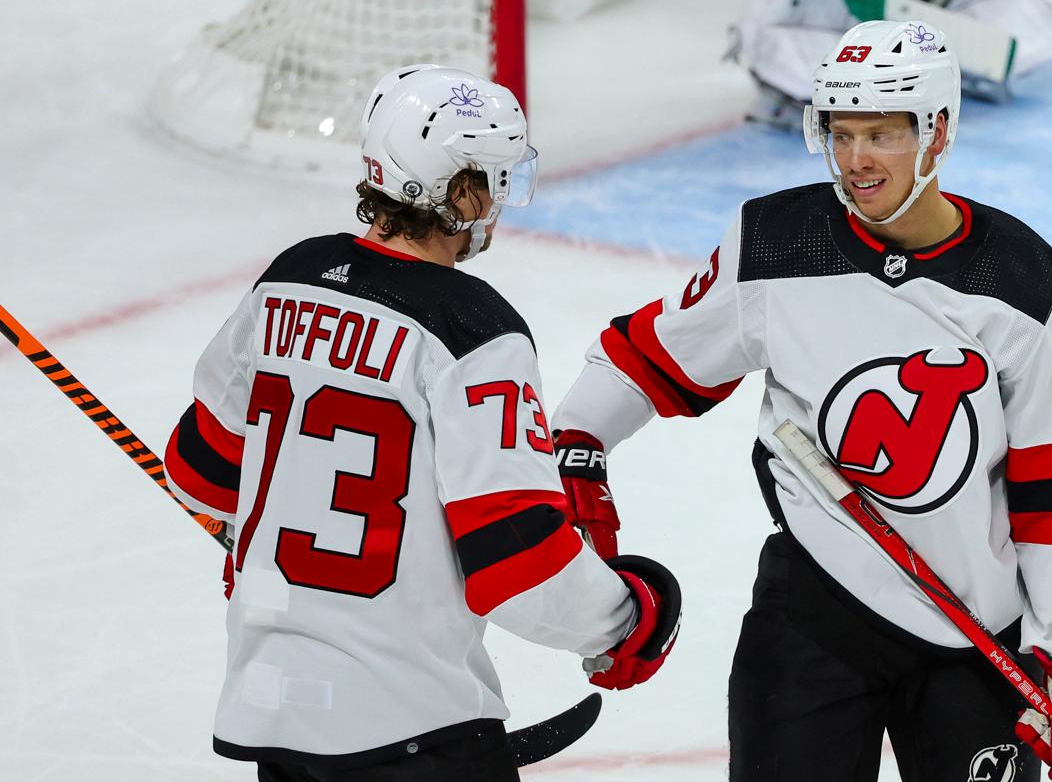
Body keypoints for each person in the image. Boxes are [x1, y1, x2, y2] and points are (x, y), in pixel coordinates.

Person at [553, 21, 1052, 782]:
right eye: (841, 132)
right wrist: (578, 444)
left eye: (882, 134)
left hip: (977, 631)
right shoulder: (778, 243)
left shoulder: (1023, 283)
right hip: (814, 615)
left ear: (938, 131)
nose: (856, 160)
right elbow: (649, 359)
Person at [162, 65, 680, 782]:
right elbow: (516, 563)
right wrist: (631, 616)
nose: (498, 201)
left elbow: (200, 473)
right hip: (411, 727)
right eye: (493, 180)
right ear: (460, 190)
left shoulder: (288, 279)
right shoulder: (473, 331)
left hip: (275, 714)